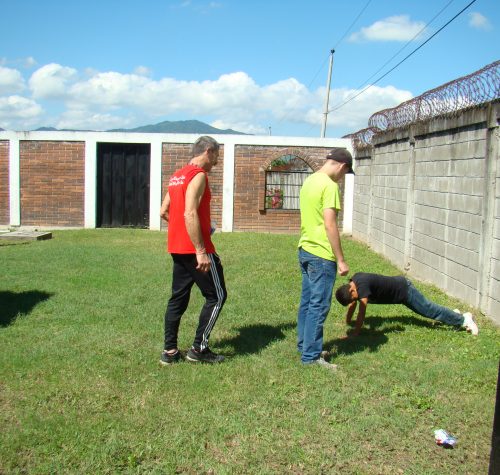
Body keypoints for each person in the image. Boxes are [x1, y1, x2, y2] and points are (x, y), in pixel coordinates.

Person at [159, 136, 227, 365]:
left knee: (177, 298)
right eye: (217, 156)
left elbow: (163, 211)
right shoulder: (198, 175)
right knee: (217, 296)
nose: (216, 162)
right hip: (197, 250)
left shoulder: (177, 176)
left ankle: (169, 351)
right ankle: (198, 349)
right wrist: (200, 249)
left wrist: (182, 230)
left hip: (177, 248)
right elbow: (190, 213)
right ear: (208, 151)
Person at [297, 148, 354, 369]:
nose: (342, 177)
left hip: (305, 249)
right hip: (321, 254)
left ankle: (305, 346)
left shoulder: (309, 181)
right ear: (342, 166)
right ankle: (311, 357)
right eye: (345, 173)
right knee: (319, 305)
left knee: (307, 302)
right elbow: (330, 224)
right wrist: (341, 259)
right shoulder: (329, 186)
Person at [335, 272, 479, 337]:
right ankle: (453, 315)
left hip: (405, 291)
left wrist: (356, 332)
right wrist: (348, 321)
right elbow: (352, 304)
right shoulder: (354, 281)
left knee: (429, 310)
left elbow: (362, 311)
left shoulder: (362, 287)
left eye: (353, 298)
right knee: (430, 309)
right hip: (401, 289)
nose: (355, 300)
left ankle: (464, 319)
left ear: (351, 289)